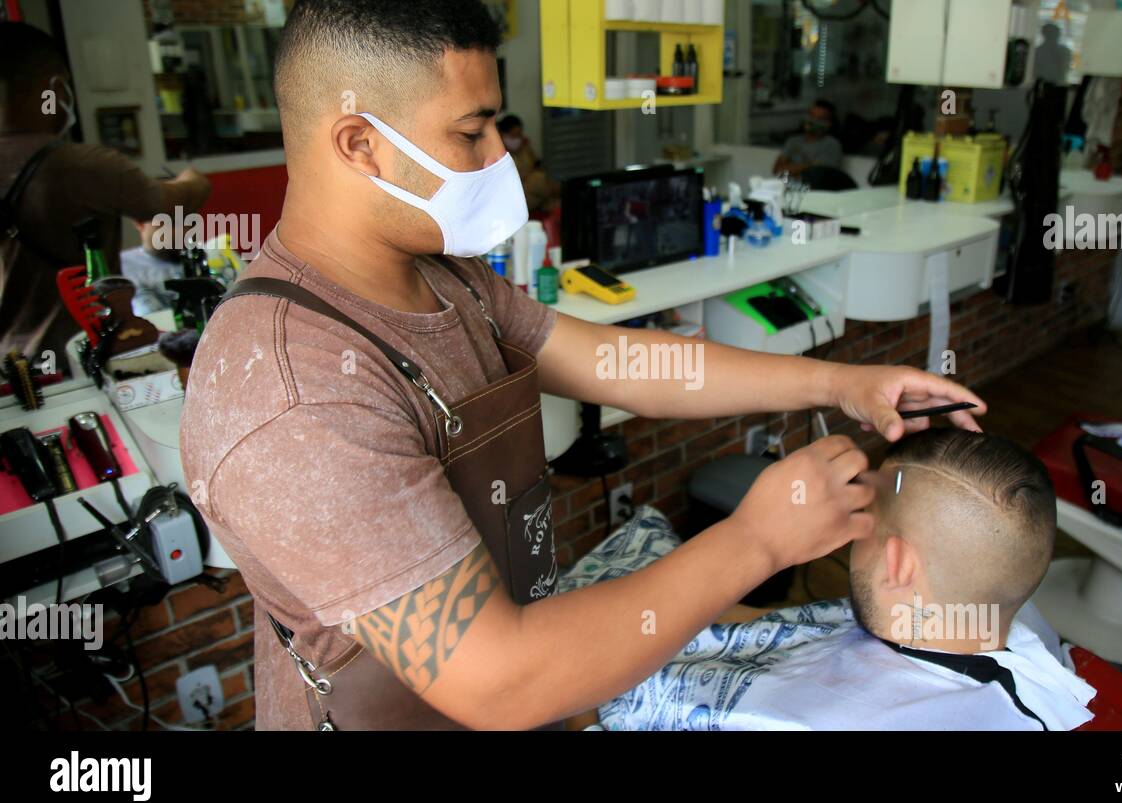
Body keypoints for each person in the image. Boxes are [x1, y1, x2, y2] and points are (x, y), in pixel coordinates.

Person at [179, 0, 986, 731]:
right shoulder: (294, 395)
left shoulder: (441, 273)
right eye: (472, 132)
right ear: (361, 145)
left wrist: (839, 382)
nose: (500, 155)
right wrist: (758, 541)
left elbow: (622, 363)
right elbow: (499, 679)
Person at [564, 429, 1097, 731]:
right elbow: (778, 626)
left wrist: (579, 689)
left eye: (862, 518)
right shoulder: (1000, 613)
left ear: (899, 564)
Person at [0, 22, 210, 369]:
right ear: (54, 90)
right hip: (75, 354)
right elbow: (172, 202)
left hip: (11, 365)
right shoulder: (79, 166)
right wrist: (195, 178)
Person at [497, 113, 560, 213]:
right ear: (503, 135)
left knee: (552, 200)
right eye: (514, 136)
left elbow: (536, 165)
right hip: (515, 195)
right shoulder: (498, 155)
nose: (517, 139)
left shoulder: (525, 147)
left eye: (519, 135)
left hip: (533, 190)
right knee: (539, 181)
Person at [773, 99, 843, 179]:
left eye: (820, 118)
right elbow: (777, 170)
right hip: (786, 187)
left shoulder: (832, 144)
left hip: (813, 190)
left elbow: (818, 173)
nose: (813, 120)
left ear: (829, 123)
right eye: (811, 115)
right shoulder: (793, 141)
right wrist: (810, 165)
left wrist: (789, 168)